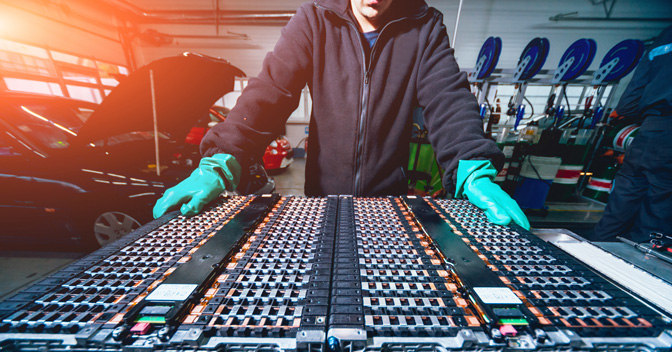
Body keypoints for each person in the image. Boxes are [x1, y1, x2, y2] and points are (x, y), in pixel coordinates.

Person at [153, 0, 529, 230]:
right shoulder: (313, 21)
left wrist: (472, 165)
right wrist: (222, 158)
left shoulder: (425, 27)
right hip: (323, 203)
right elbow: (269, 92)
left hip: (388, 208)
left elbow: (448, 98)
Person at [592, 25, 672, 242]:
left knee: (621, 204)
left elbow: (628, 104)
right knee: (658, 214)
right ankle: (642, 266)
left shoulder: (664, 36)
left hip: (648, 133)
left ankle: (594, 257)